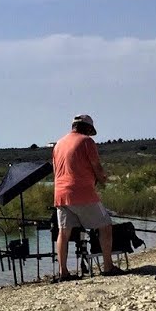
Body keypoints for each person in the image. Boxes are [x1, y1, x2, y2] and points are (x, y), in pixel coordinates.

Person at [52, 114, 124, 280]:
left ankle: (63, 272)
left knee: (64, 232)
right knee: (105, 225)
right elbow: (96, 166)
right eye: (90, 131)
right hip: (82, 192)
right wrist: (102, 179)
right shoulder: (86, 142)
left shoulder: (58, 144)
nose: (90, 135)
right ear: (86, 128)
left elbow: (57, 172)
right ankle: (108, 266)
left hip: (60, 194)